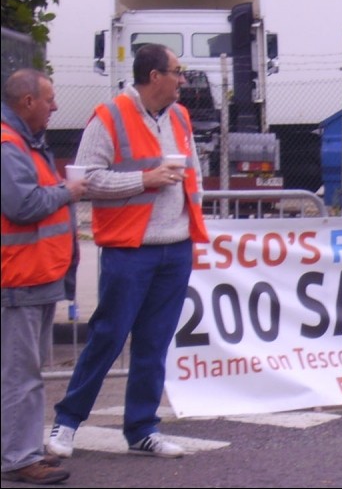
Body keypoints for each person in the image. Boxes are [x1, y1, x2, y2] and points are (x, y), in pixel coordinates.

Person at [47, 44, 208, 460]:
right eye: (177, 71)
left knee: (154, 343)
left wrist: (193, 219)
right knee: (108, 337)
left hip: (174, 247)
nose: (183, 80)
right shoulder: (110, 117)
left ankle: (141, 428)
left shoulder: (180, 117)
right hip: (129, 249)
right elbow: (88, 181)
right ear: (154, 76)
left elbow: (194, 175)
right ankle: (67, 422)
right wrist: (145, 180)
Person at [2, 69, 86, 485]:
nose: (55, 107)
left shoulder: (23, 144)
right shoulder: (9, 146)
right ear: (28, 102)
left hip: (33, 276)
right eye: (49, 99)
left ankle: (23, 450)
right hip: (20, 279)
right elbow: (23, 205)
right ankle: (19, 457)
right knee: (22, 375)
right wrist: (67, 193)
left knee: (25, 374)